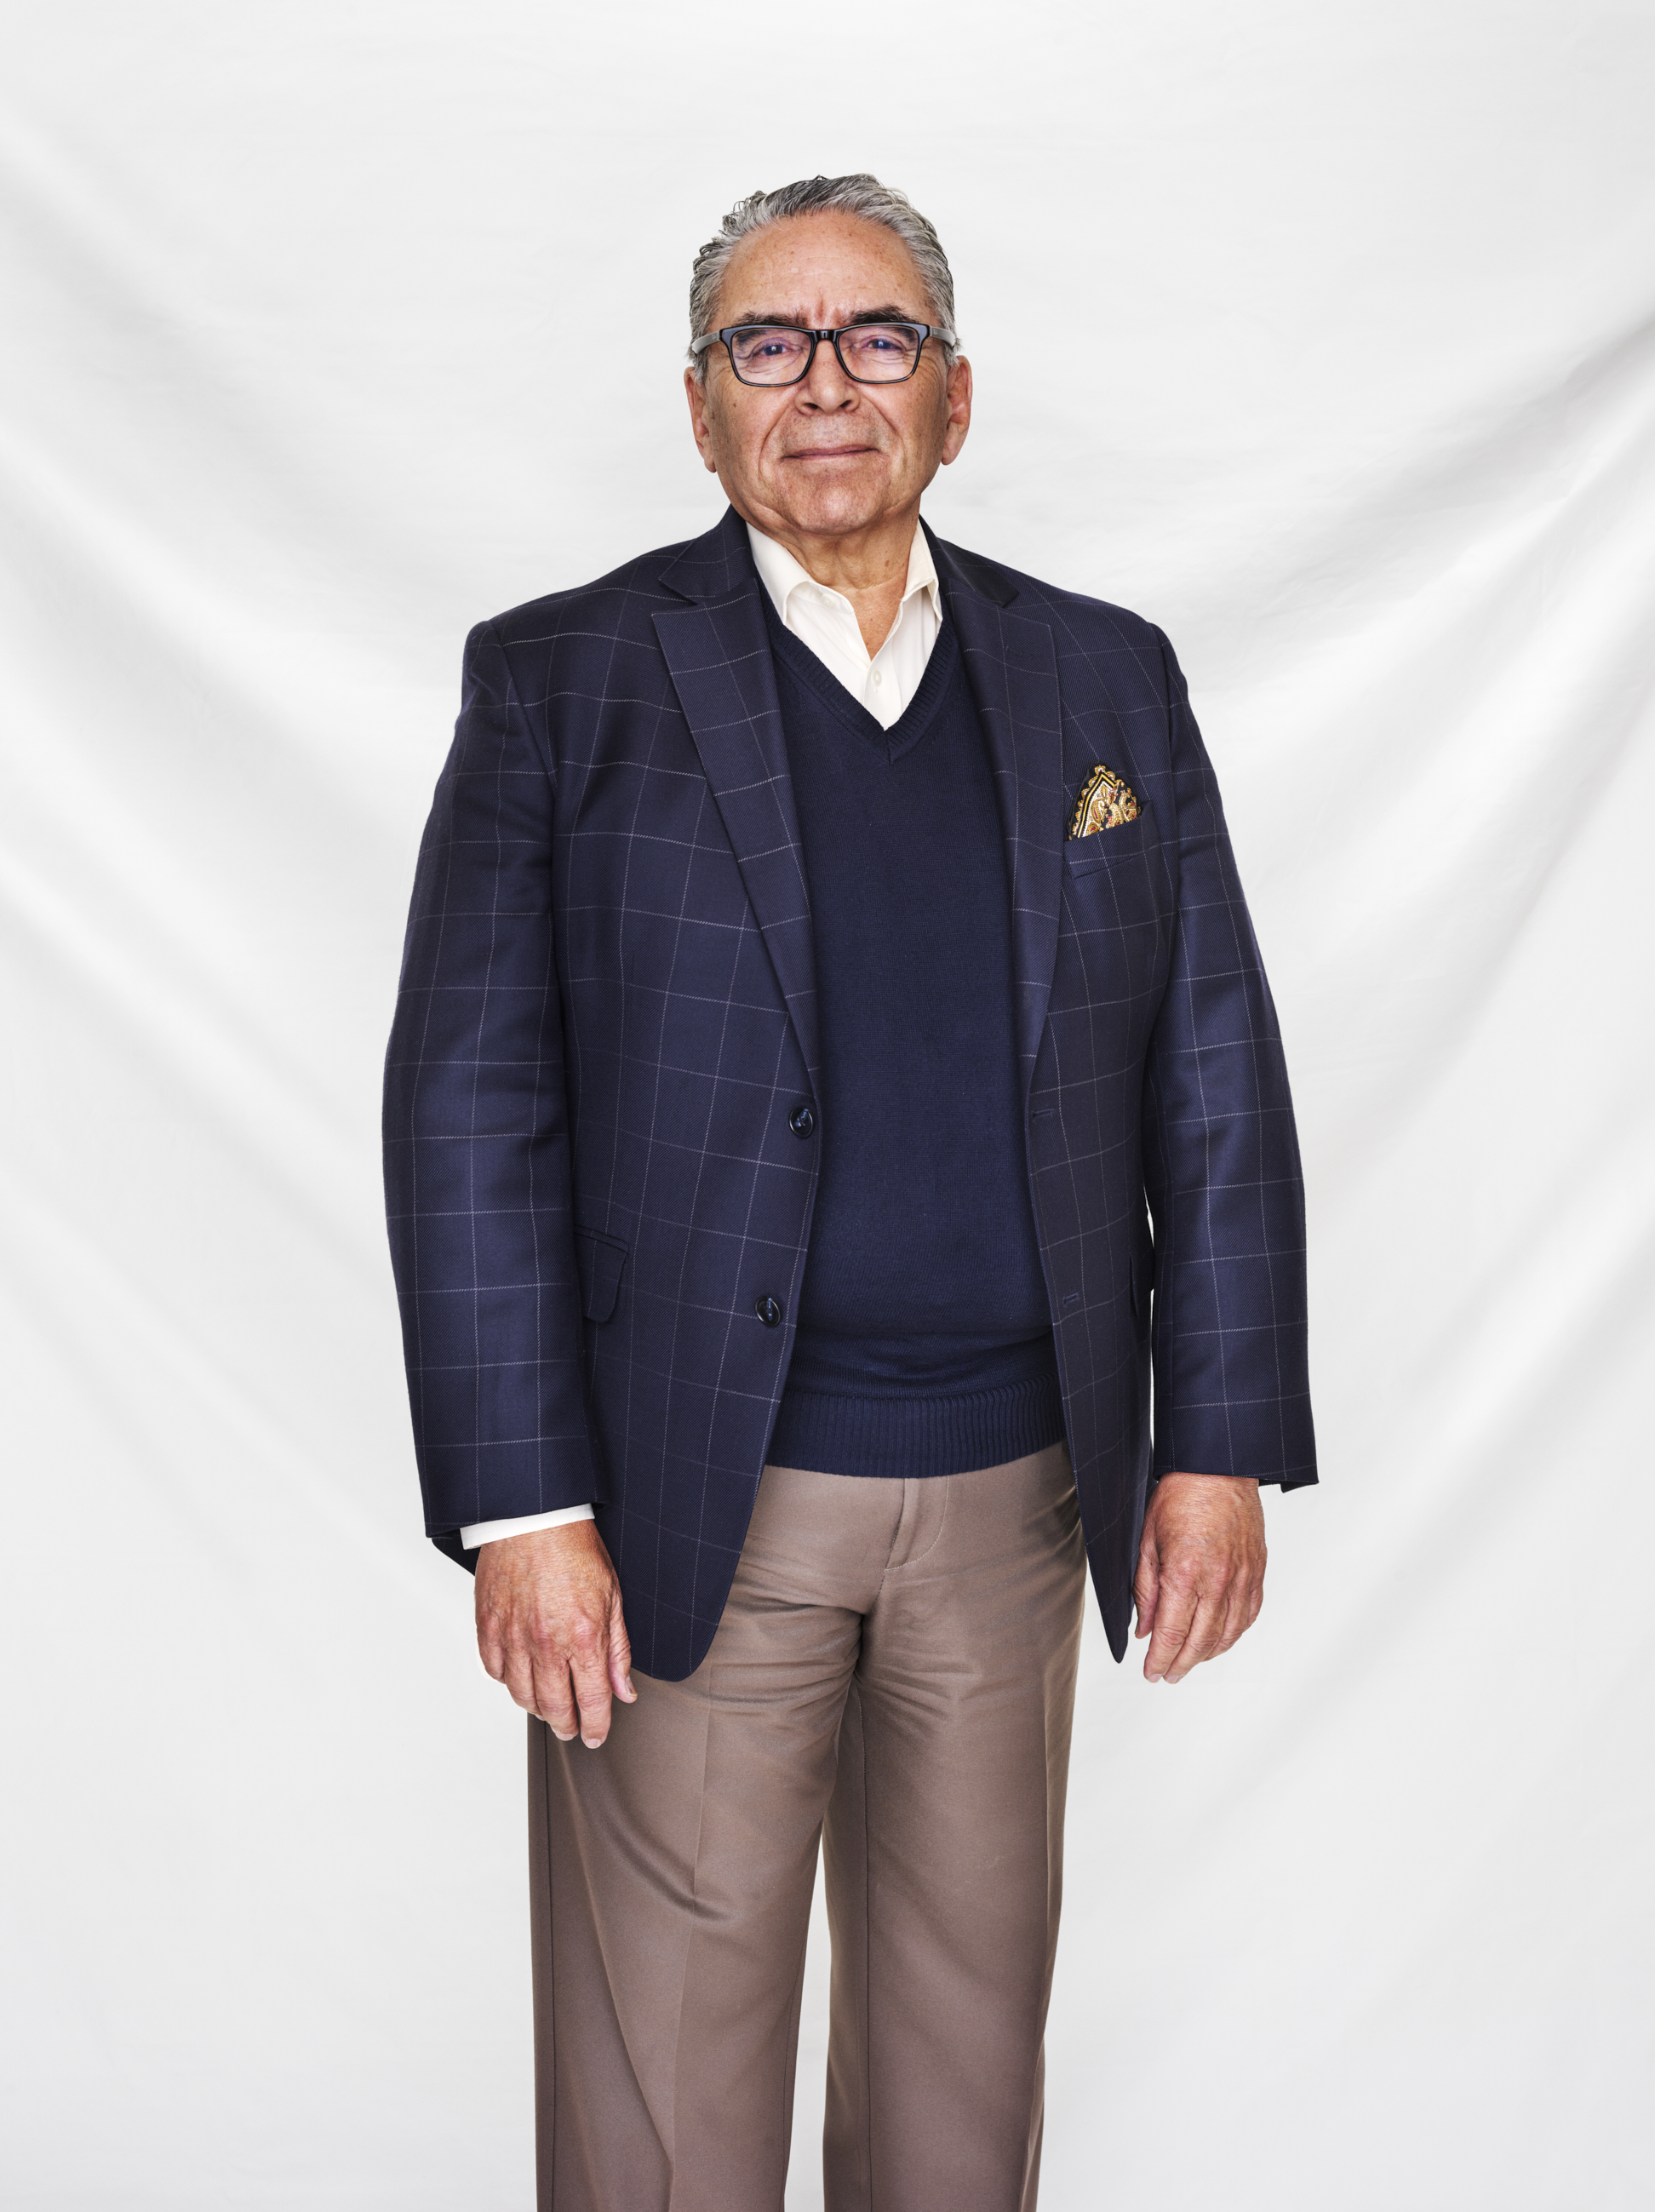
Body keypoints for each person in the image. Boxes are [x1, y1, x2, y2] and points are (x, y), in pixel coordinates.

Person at [383, 172, 1315, 2212]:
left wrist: (1218, 1442)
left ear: (954, 398)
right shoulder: (565, 682)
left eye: (878, 338)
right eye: (769, 343)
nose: (826, 384)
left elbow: (1213, 1069)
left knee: (963, 2115)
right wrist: (524, 1510)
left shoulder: (1106, 682)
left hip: (1018, 1504)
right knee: (666, 2133)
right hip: (691, 1512)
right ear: (700, 406)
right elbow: (468, 1106)